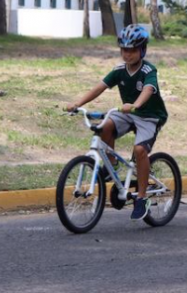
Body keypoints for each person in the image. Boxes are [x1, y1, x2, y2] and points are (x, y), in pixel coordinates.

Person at [66, 24, 168, 221]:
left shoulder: (148, 70)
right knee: (105, 126)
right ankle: (111, 166)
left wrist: (136, 104)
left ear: (142, 50)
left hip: (149, 115)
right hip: (128, 112)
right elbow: (100, 87)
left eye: (132, 50)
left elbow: (148, 89)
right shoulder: (119, 70)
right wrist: (77, 103)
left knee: (139, 151)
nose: (127, 54)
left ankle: (142, 197)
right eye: (124, 50)